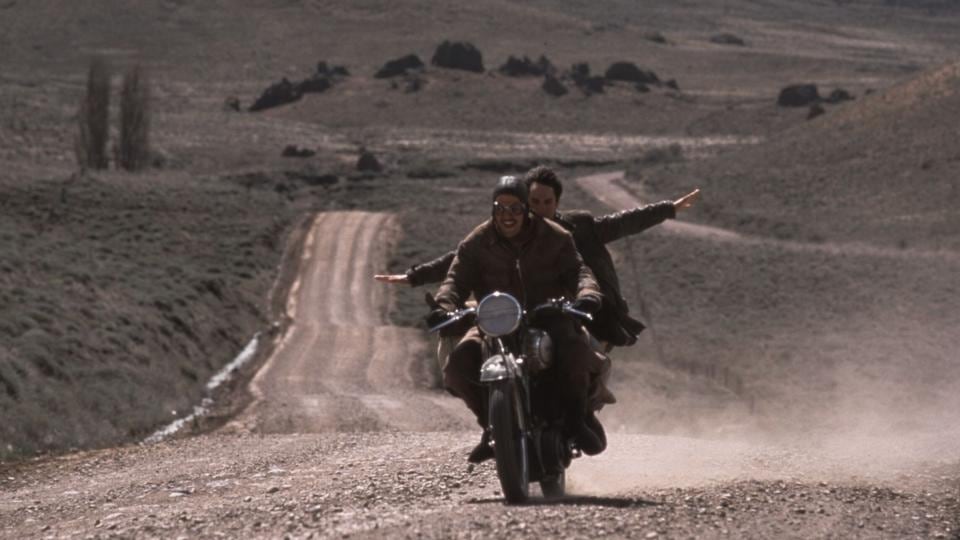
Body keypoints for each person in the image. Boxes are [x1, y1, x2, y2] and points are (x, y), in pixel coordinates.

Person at [376, 165, 699, 348]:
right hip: (515, 309)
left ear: (557, 203)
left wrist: (668, 208)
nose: (540, 209)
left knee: (580, 353)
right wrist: (416, 276)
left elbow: (624, 222)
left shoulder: (578, 228)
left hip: (571, 309)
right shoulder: (503, 232)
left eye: (547, 202)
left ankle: (584, 407)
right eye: (534, 202)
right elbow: (460, 260)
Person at [429, 175, 605, 463]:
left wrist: (587, 294)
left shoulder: (555, 237)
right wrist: (443, 306)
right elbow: (454, 280)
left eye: (515, 208)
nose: (507, 215)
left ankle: (575, 420)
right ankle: (490, 427)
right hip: (495, 321)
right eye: (501, 208)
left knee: (574, 351)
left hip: (547, 315)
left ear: (526, 209)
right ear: (493, 209)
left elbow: (579, 271)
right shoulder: (477, 242)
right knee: (458, 365)